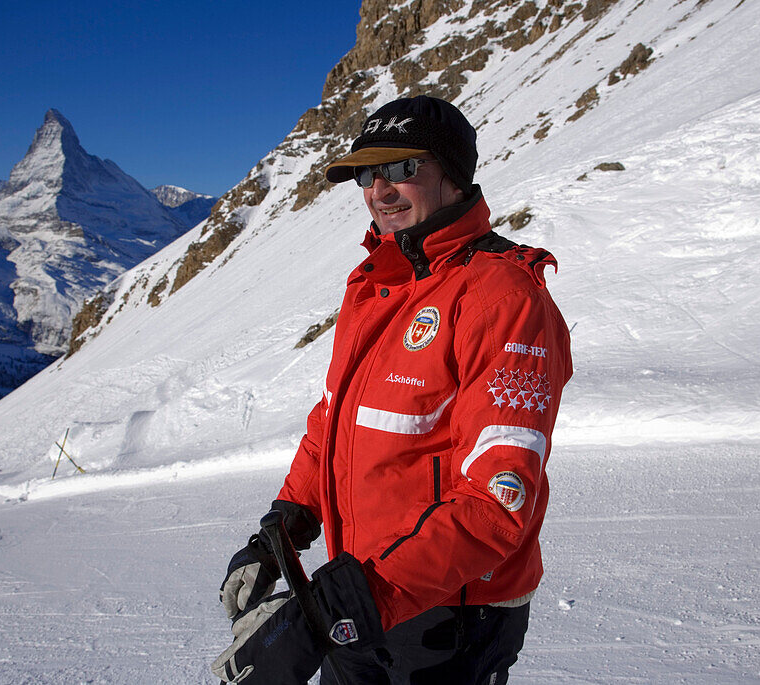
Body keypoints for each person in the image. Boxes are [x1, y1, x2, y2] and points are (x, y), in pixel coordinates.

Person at [212, 95, 573, 684]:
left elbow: (498, 502)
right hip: (360, 595)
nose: (381, 190)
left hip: (445, 618)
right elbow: (337, 423)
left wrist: (335, 610)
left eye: (404, 169)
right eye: (367, 173)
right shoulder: (377, 284)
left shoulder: (502, 299)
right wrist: (284, 524)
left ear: (453, 176)